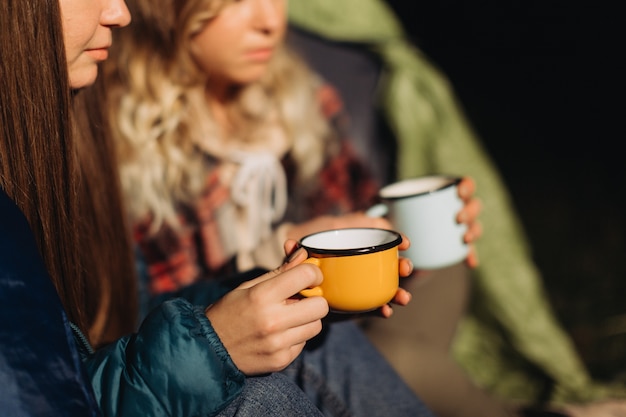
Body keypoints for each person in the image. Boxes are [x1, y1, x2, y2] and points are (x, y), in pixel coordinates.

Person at [1, 0, 438, 416]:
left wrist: (281, 286)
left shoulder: (297, 98)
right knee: (255, 395)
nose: (121, 13)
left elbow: (127, 317)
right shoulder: (128, 147)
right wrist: (218, 338)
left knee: (328, 344)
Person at [286, 1, 626, 417]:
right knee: (395, 363)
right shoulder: (188, 151)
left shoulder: (302, 98)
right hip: (304, 322)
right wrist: (279, 253)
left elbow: (357, 212)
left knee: (443, 259)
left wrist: (392, 228)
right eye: (234, 6)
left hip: (368, 298)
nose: (270, 20)